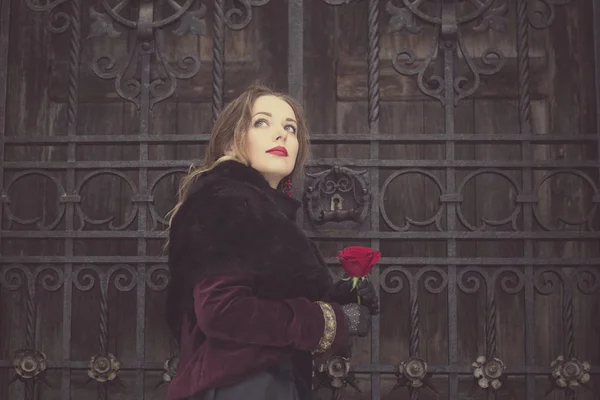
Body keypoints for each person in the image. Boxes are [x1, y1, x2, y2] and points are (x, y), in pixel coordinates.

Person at [165, 85, 379, 400]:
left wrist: (340, 300)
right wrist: (328, 320)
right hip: (240, 384)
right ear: (230, 141)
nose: (281, 135)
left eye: (289, 128)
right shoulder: (224, 201)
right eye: (262, 122)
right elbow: (223, 312)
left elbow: (270, 299)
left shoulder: (265, 213)